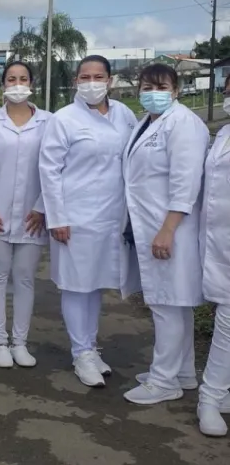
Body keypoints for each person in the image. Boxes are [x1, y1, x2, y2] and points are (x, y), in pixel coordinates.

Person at [39, 55, 138, 388]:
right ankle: (80, 353)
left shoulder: (125, 115)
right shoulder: (63, 119)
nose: (92, 82)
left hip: (112, 215)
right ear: (76, 81)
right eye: (85, 77)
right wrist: (57, 216)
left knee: (95, 284)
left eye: (98, 76)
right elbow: (49, 170)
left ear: (110, 80)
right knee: (75, 284)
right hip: (74, 215)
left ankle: (91, 347)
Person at [120, 63, 210, 405]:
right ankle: (183, 372)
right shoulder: (147, 122)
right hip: (151, 224)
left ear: (176, 89)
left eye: (160, 85)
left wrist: (168, 229)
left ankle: (163, 381)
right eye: (146, 85)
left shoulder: (184, 124)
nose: (152, 91)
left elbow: (185, 183)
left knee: (166, 303)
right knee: (174, 303)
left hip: (170, 228)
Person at [0, 61, 51, 369]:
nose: (18, 84)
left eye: (23, 78)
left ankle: (20, 343)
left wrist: (42, 207)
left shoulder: (49, 122)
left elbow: (55, 169)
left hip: (33, 215)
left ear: (32, 83)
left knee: (25, 279)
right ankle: (0, 343)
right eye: (11, 79)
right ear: (3, 85)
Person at [198, 75, 230, 436]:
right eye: (227, 91)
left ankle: (216, 394)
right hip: (218, 242)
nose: (228, 98)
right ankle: (211, 397)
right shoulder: (222, 135)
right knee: (227, 321)